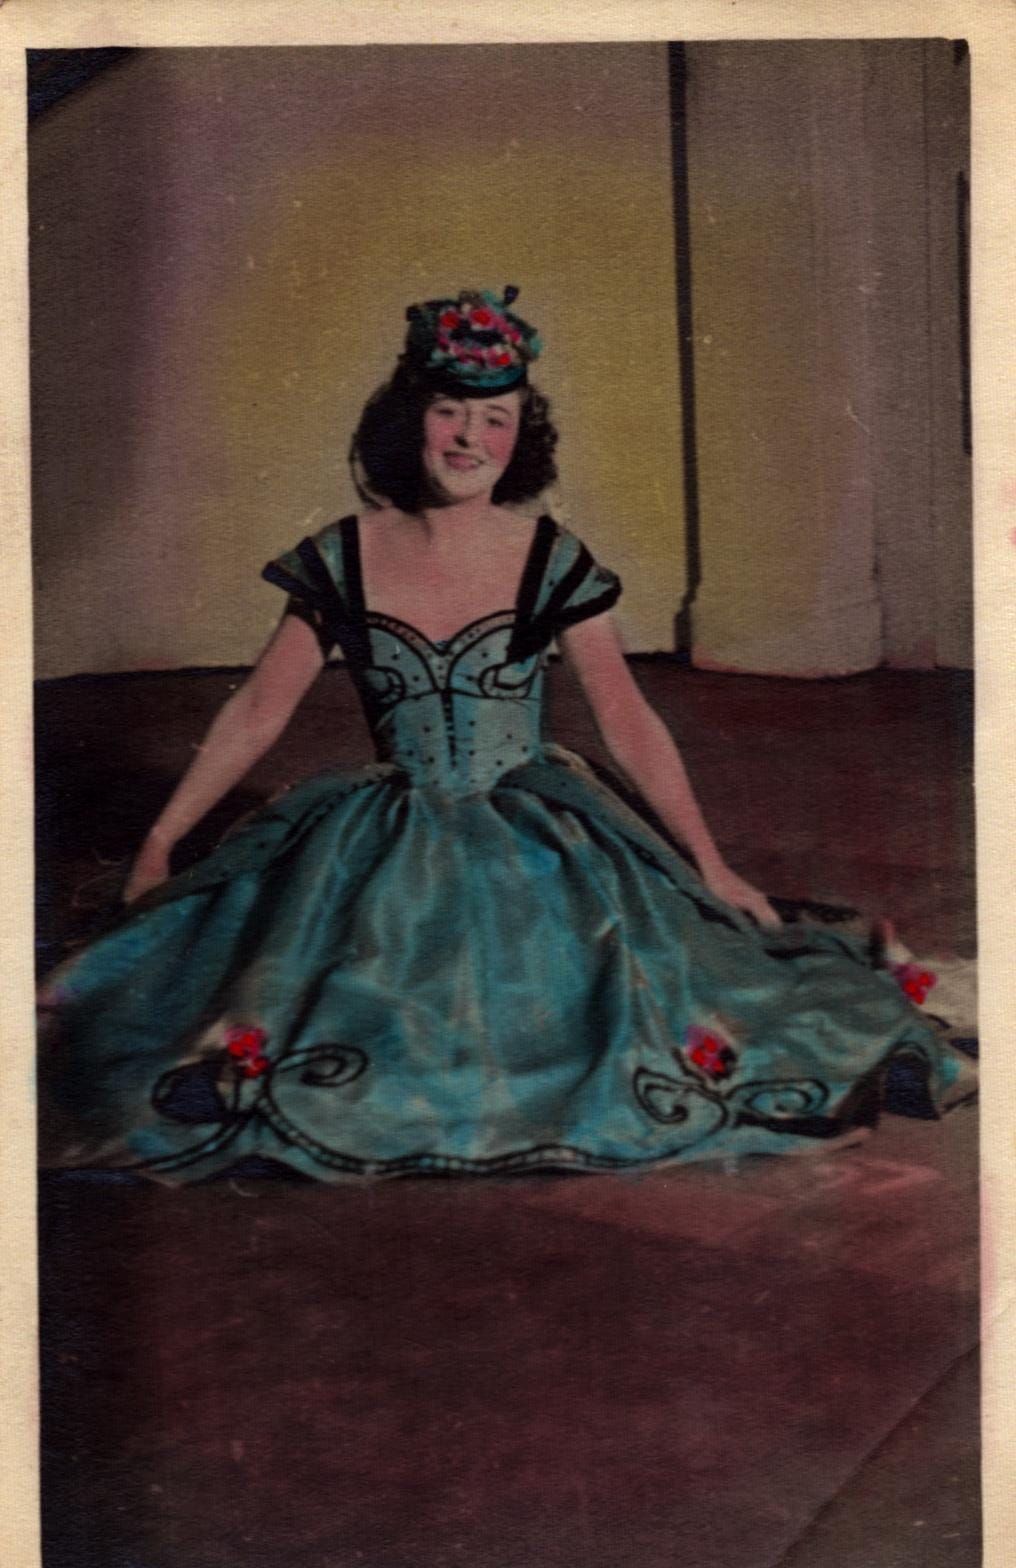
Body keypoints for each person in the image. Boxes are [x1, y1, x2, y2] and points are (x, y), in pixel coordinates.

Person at [39, 286, 968, 1181]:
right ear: (413, 419)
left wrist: (711, 864)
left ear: (522, 436)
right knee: (282, 1012)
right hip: (383, 841)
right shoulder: (343, 554)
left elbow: (628, 719)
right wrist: (162, 841)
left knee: (620, 1013)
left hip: (538, 842)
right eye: (451, 412)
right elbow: (255, 712)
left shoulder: (548, 556)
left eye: (497, 420)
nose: (471, 439)